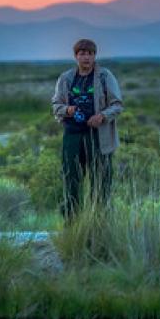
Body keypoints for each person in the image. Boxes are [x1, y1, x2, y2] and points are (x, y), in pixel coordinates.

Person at [50, 38, 123, 219]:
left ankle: (99, 221)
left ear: (94, 56)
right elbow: (56, 105)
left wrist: (102, 116)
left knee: (101, 181)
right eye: (82, 53)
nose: (86, 58)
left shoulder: (105, 76)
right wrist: (67, 109)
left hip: (98, 136)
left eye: (90, 53)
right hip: (73, 135)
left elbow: (117, 104)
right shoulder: (66, 78)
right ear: (76, 56)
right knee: (71, 179)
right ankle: (73, 223)